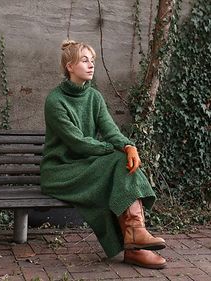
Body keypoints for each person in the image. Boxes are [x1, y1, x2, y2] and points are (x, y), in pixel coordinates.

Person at [40, 39, 166, 269]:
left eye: (93, 60)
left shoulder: (95, 97)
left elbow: (110, 131)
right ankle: (135, 240)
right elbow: (78, 143)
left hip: (87, 166)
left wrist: (129, 146)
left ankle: (134, 238)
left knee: (121, 165)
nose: (91, 65)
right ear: (69, 66)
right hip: (61, 171)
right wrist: (116, 150)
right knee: (117, 164)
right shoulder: (55, 101)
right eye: (84, 60)